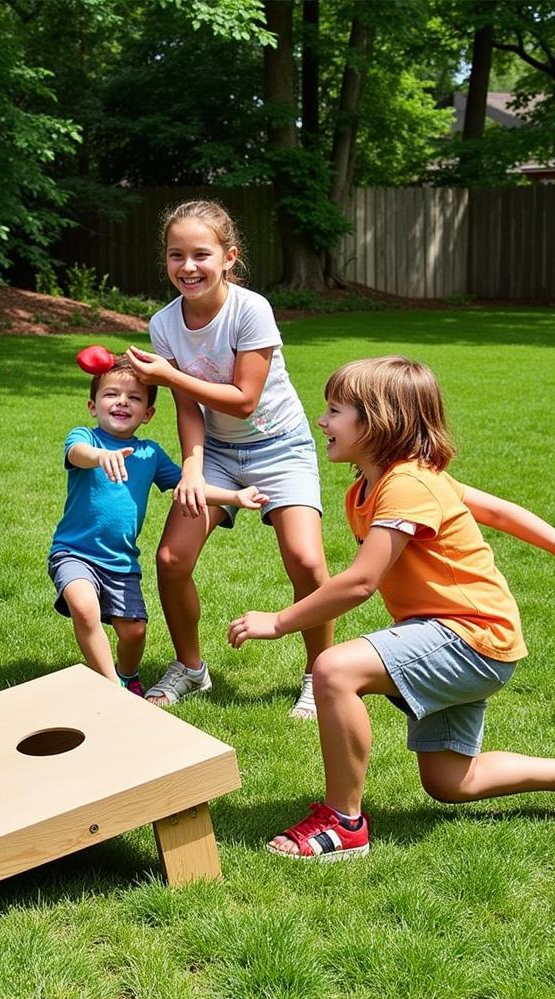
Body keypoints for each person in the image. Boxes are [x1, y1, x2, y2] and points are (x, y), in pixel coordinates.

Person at [228, 355, 555, 860]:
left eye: (335, 411)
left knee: (334, 670)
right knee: (452, 782)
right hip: (467, 636)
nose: (322, 422)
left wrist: (280, 621)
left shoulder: (408, 484)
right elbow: (490, 508)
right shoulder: (384, 485)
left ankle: (343, 823)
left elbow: (360, 582)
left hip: (470, 635)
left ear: (378, 422)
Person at [126, 200, 331, 716]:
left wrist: (167, 374)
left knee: (305, 560)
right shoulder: (165, 323)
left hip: (280, 446)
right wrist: (192, 467)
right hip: (217, 451)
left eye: (201, 254)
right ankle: (191, 669)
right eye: (177, 255)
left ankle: (321, 673)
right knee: (171, 559)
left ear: (228, 256)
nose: (188, 266)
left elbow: (244, 398)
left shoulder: (250, 309)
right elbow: (188, 407)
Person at [50, 355, 267, 694]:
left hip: (121, 562)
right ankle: (112, 690)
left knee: (134, 633)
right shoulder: (86, 439)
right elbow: (76, 453)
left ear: (148, 414)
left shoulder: (149, 454)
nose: (122, 402)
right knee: (84, 606)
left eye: (134, 398)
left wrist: (235, 497)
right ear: (93, 406)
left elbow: (188, 485)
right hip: (74, 552)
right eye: (111, 395)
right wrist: (100, 457)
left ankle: (126, 675)